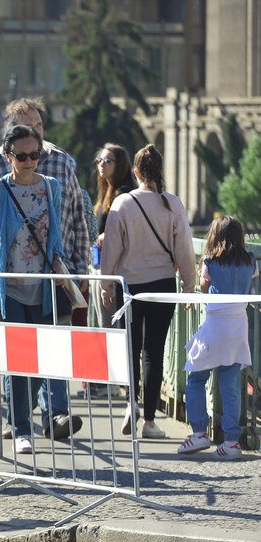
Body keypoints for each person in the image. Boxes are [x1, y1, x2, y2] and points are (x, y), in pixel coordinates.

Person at [0, 97, 90, 438]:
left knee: (54, 346)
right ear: (10, 134)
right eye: (27, 125)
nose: (34, 135)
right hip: (10, 277)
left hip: (55, 273)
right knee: (19, 351)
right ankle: (18, 416)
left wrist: (81, 271)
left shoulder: (61, 164)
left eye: (38, 125)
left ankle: (56, 415)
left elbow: (76, 218)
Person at [0, 125, 66, 455]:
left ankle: (24, 407)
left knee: (43, 361)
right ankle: (22, 428)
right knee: (20, 361)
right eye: (22, 156)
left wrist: (61, 268)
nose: (29, 162)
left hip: (44, 286)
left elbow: (55, 237)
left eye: (35, 155)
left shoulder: (52, 188)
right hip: (9, 289)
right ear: (8, 157)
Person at [100, 144, 196, 439]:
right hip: (163, 285)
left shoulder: (122, 204)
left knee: (129, 346)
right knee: (153, 351)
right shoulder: (172, 204)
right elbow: (185, 250)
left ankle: (131, 404)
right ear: (159, 172)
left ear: (136, 172)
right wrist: (189, 285)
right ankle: (151, 422)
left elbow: (112, 251)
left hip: (129, 287)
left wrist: (105, 284)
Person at [177, 216, 256, 461]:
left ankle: (200, 432)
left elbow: (203, 286)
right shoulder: (250, 262)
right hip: (237, 328)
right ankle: (232, 441)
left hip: (215, 326)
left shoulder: (211, 261)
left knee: (196, 375)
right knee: (230, 383)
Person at [92, 144, 137, 328]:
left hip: (114, 272)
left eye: (108, 161)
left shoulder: (124, 193)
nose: (102, 164)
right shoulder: (106, 192)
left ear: (120, 166)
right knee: (105, 324)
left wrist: (107, 235)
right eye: (100, 160)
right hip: (100, 266)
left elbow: (129, 230)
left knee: (111, 326)